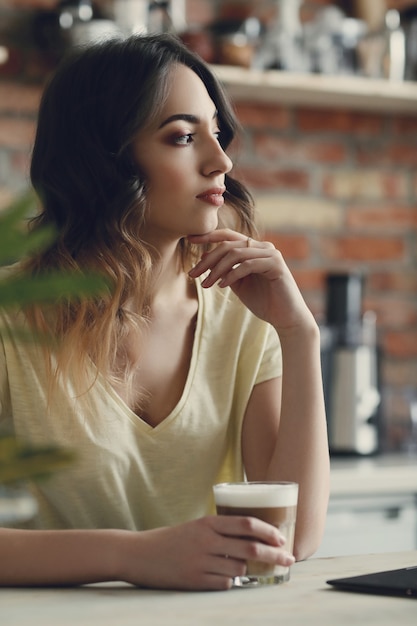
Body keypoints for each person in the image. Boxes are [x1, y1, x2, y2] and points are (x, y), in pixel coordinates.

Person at [0, 33, 329, 590]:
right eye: (182, 137)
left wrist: (299, 335)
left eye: (218, 135)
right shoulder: (12, 317)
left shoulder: (245, 318)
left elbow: (289, 541)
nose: (221, 160)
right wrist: (131, 557)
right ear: (104, 159)